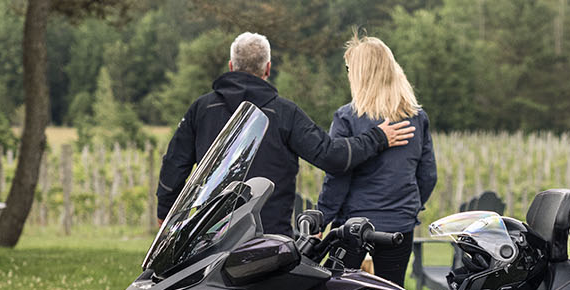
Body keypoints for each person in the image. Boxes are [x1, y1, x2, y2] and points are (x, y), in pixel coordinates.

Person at [156, 32, 413, 237]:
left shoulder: (201, 109)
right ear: (268, 68)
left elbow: (174, 164)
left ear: (231, 66)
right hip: (268, 237)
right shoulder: (285, 112)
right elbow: (331, 156)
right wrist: (377, 138)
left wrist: (165, 212)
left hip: (210, 235)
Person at [317, 34, 437, 285]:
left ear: (360, 73)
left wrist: (322, 217)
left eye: (350, 69)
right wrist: (410, 207)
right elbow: (427, 175)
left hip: (353, 224)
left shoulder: (347, 118)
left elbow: (338, 176)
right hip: (399, 223)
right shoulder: (416, 117)